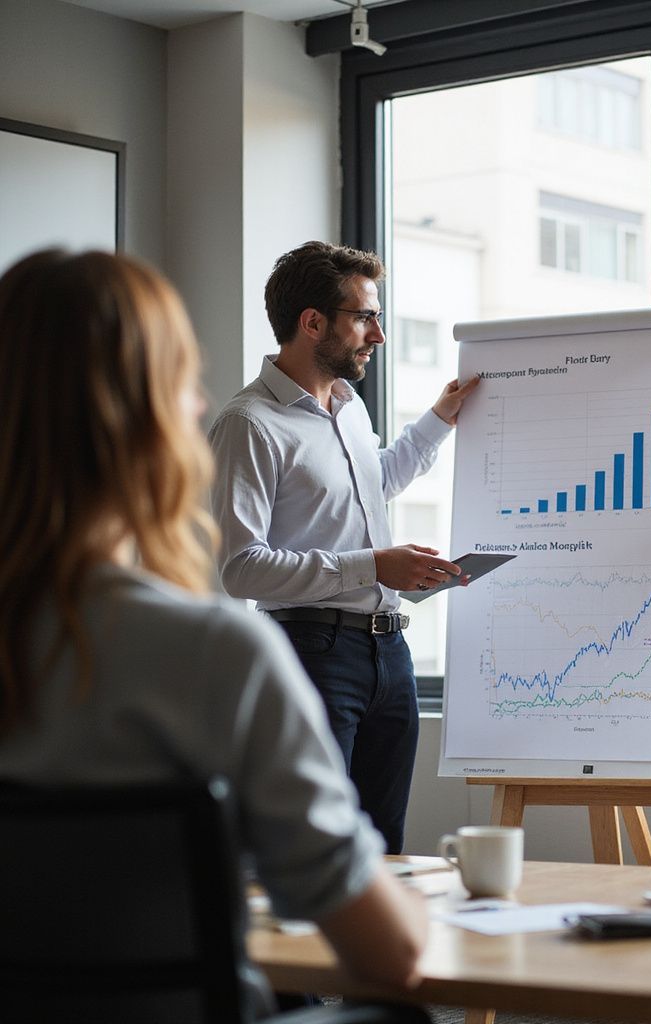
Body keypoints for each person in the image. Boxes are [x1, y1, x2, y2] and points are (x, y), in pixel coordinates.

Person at [0, 248, 428, 1002]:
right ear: (146, 420)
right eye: (178, 382)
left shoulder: (348, 414)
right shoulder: (212, 655)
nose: (198, 404)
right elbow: (390, 951)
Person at [208, 241, 478, 854]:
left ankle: (377, 955)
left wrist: (440, 417)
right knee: (316, 846)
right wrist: (373, 566)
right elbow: (241, 568)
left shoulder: (348, 407)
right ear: (312, 323)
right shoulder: (249, 425)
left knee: (384, 844)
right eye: (364, 316)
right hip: (311, 650)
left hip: (389, 650)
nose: (377, 334)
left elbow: (374, 483)